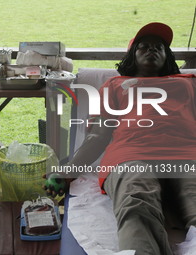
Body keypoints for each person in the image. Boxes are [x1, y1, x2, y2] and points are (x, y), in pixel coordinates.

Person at [45, 22, 196, 254]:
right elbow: (98, 134)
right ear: (132, 56)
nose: (152, 49)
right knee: (136, 202)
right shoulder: (114, 86)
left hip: (186, 157)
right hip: (131, 158)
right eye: (143, 46)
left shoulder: (186, 83)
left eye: (159, 47)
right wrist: (68, 171)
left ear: (167, 56)